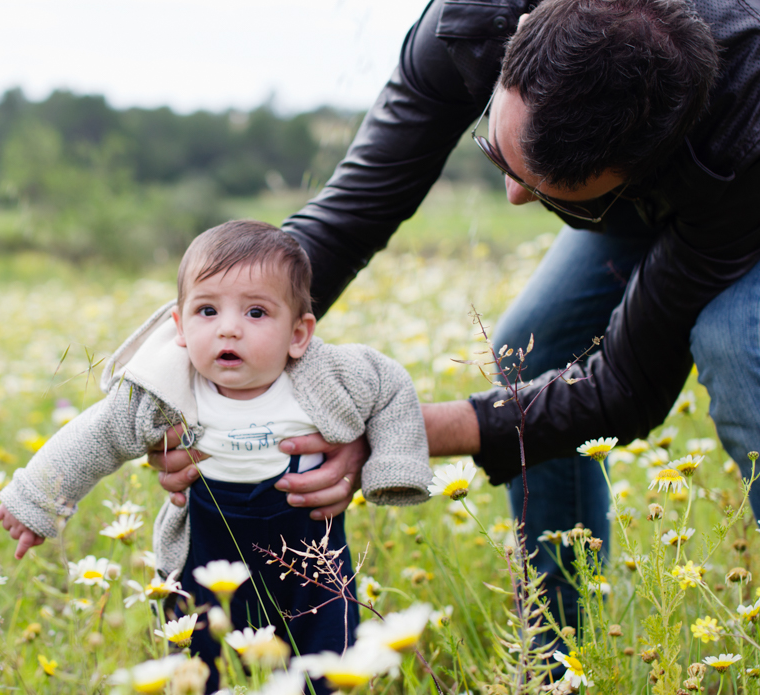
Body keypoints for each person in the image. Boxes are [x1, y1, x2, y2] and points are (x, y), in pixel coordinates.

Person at [153, 0, 760, 641]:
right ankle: (560, 657)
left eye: (554, 194)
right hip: (663, 175)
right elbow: (349, 216)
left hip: (737, 183)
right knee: (537, 343)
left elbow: (627, 386)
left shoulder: (740, 127)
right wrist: (170, 378)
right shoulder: (470, 23)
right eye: (500, 157)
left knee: (738, 345)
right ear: (515, 48)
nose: (516, 198)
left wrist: (389, 431)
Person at [0, 220, 431, 684]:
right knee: (202, 661)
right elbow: (96, 435)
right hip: (206, 548)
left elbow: (390, 386)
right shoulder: (166, 392)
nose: (229, 330)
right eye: (206, 311)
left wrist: (392, 466)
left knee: (327, 656)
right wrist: (35, 500)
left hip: (312, 555)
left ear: (298, 335)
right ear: (178, 326)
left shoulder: (326, 377)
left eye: (256, 313)